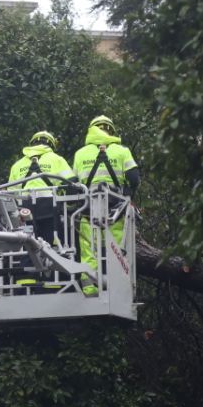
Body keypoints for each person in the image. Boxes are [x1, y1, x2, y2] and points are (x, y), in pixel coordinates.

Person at [71, 115, 139, 297]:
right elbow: (134, 179)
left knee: (88, 249)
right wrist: (130, 195)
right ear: (111, 130)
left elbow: (72, 183)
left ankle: (90, 288)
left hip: (87, 209)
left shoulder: (80, 154)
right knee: (116, 248)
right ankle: (117, 288)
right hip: (115, 208)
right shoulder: (122, 151)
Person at [7, 131, 74, 286]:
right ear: (50, 144)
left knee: (28, 241)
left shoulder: (18, 165)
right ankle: (53, 280)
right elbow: (72, 183)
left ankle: (26, 278)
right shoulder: (57, 160)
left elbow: (10, 193)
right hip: (49, 207)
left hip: (26, 208)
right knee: (52, 241)